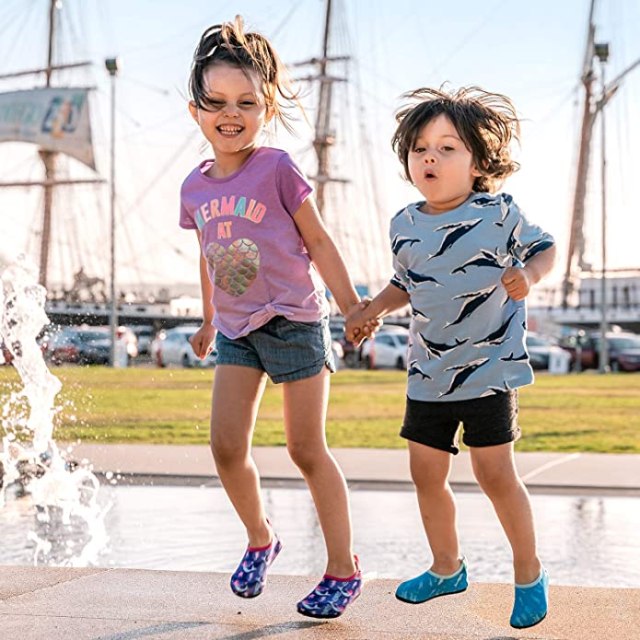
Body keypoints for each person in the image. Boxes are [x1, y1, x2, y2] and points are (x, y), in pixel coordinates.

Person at [346, 86, 556, 629]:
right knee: (424, 472)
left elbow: (545, 248)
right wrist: (371, 310)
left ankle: (529, 573)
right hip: (428, 374)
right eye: (420, 148)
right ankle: (446, 568)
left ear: (478, 163)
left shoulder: (499, 213)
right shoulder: (403, 224)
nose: (430, 158)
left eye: (446, 148)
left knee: (495, 474)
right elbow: (404, 284)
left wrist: (528, 275)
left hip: (488, 369)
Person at [179, 17, 364, 619]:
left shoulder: (278, 168)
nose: (230, 114)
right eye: (216, 102)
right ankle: (261, 538)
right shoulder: (193, 188)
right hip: (237, 331)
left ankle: (343, 569)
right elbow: (209, 254)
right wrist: (209, 319)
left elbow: (319, 241)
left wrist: (351, 305)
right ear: (195, 111)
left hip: (294, 321)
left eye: (246, 102)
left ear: (266, 108)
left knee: (306, 449)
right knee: (225, 447)